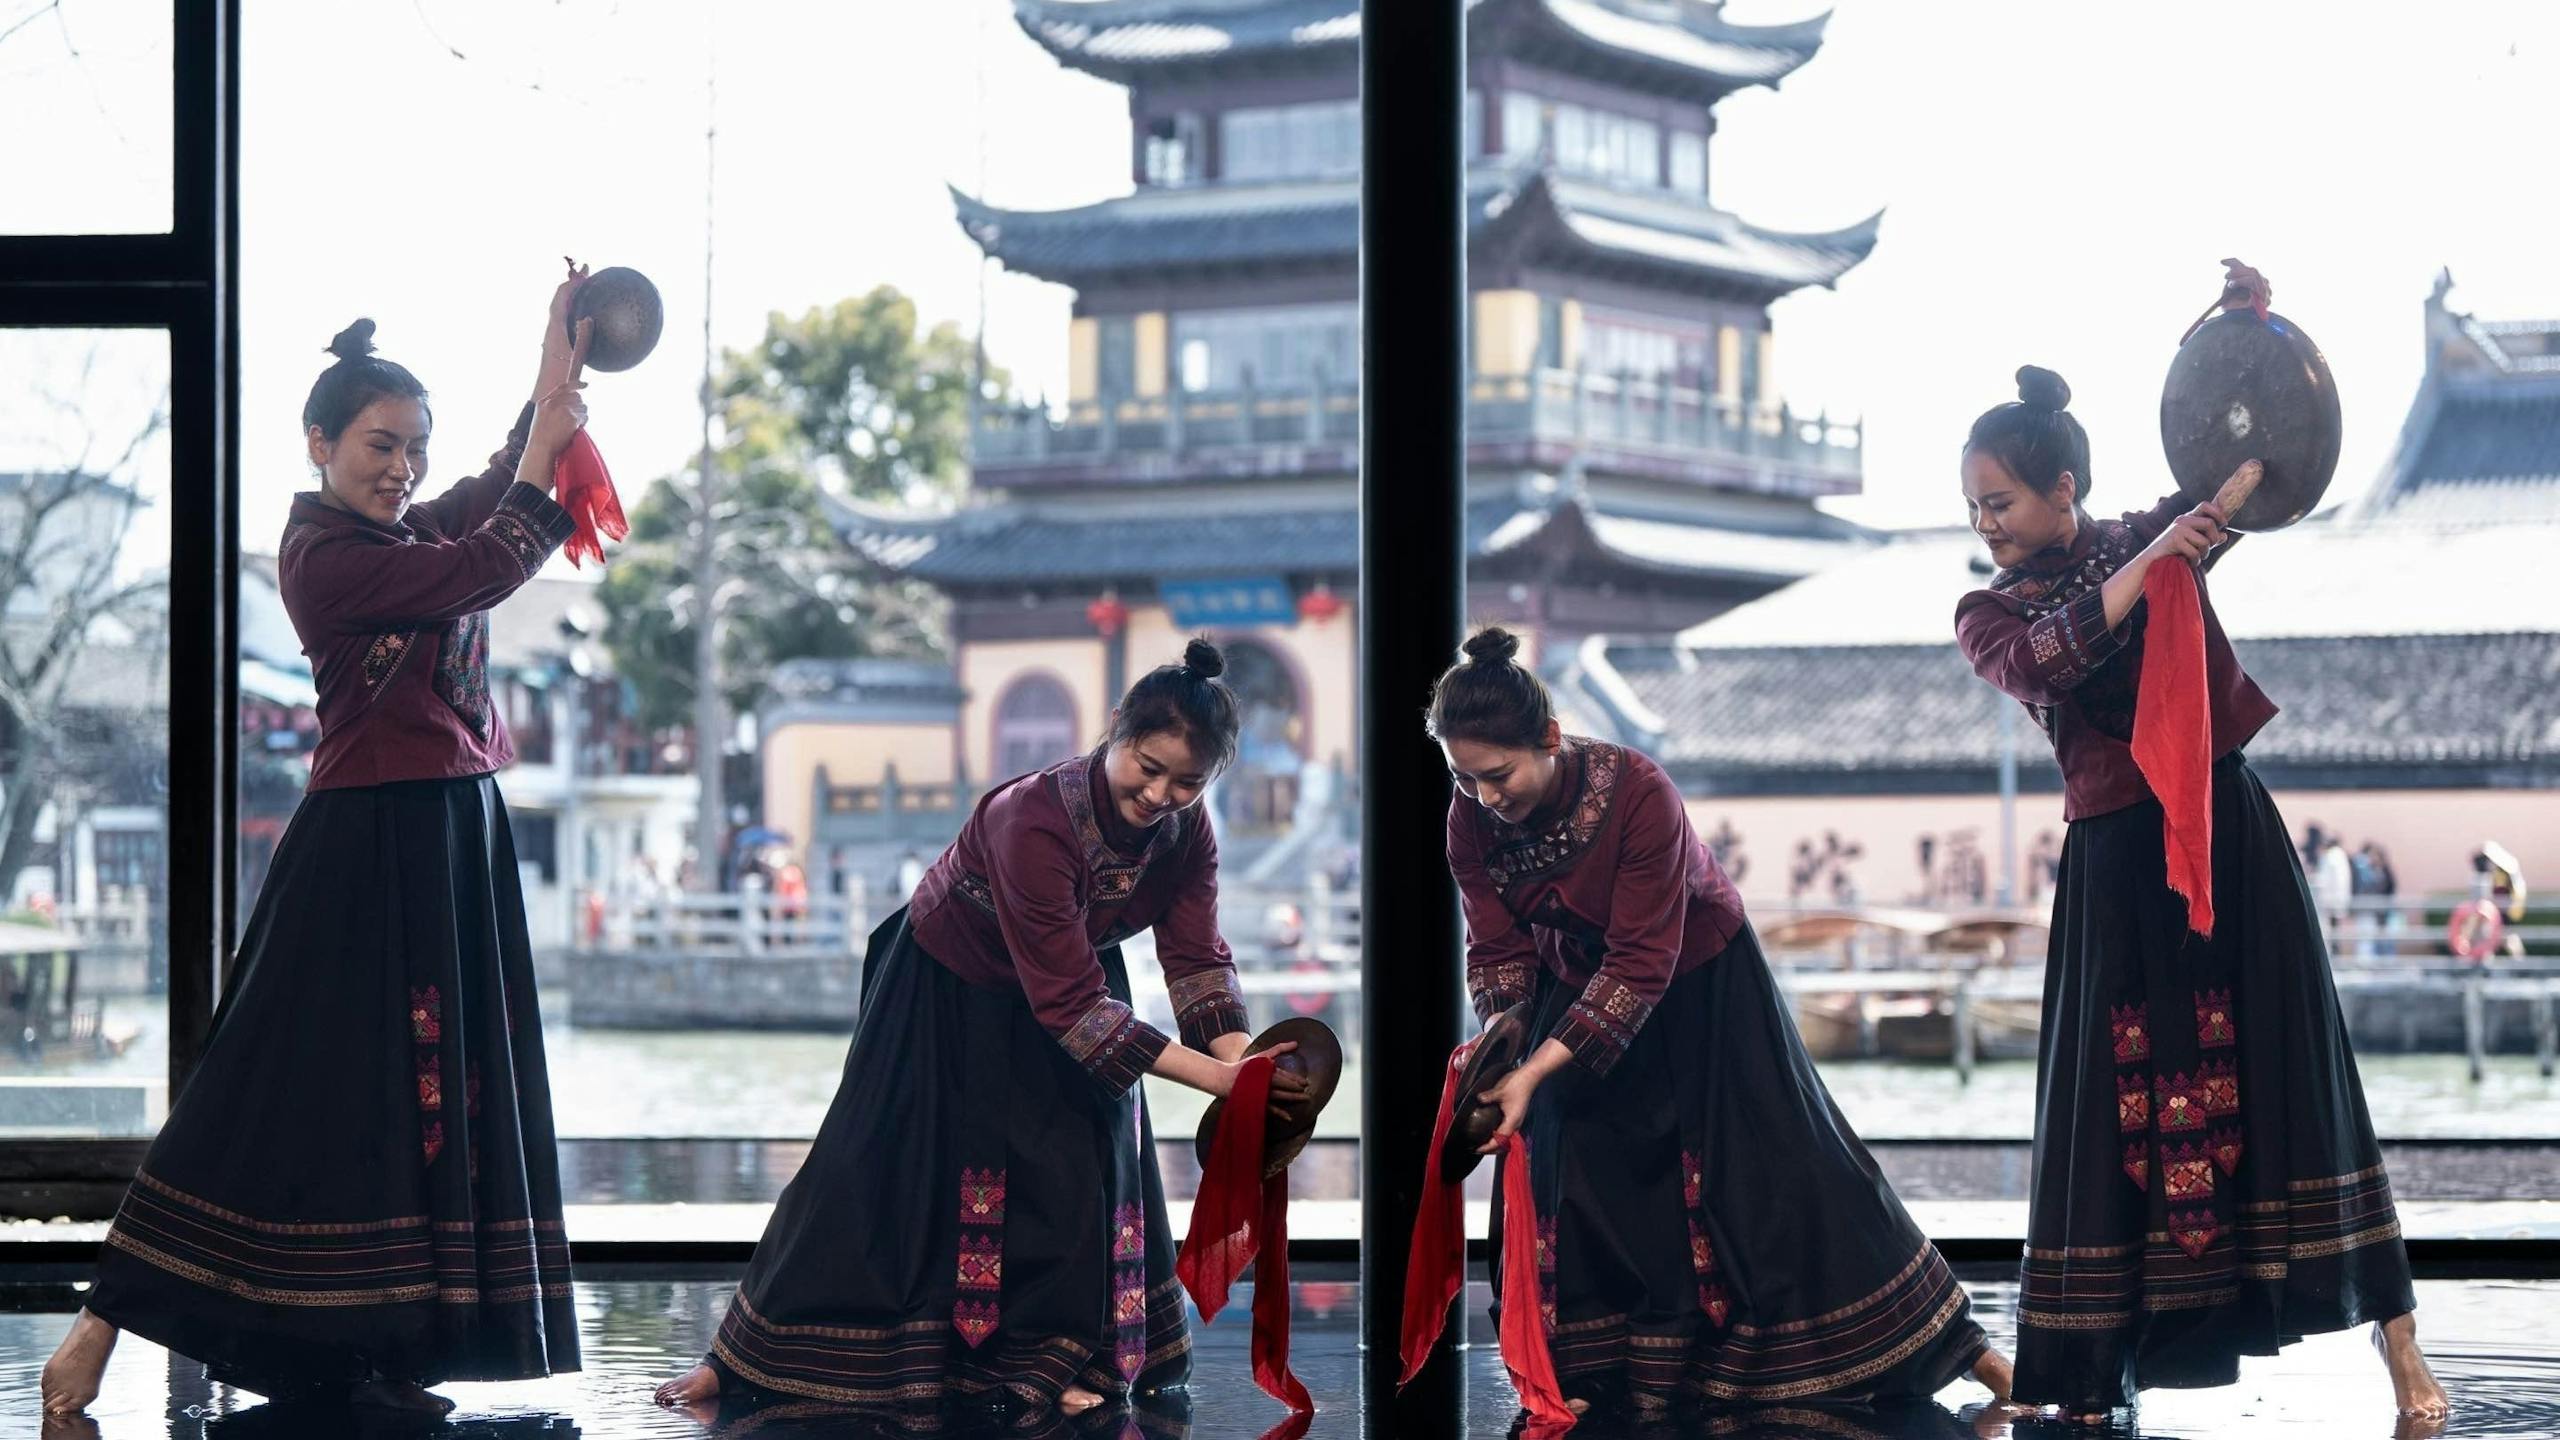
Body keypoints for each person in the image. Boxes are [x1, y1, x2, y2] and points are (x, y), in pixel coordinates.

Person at [42, 273, 597, 1417]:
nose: (404, 468)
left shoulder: (401, 529)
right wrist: (544, 448)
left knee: (407, 1106)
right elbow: (488, 560)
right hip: (365, 846)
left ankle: (376, 1348)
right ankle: (102, 1320)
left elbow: (500, 486)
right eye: (382, 446)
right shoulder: (326, 559)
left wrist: (556, 360)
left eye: (415, 448)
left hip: (448, 835)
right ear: (319, 445)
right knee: (261, 1089)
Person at [1952, 319, 2446, 1423]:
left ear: (2063, 489)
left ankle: (2404, 1350)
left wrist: (2246, 339)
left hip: (2226, 834)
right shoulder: (1992, 613)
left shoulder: (2146, 536)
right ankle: (2091, 1379)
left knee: (2303, 1076)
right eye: (1974, 507)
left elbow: (2242, 472)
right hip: (2116, 867)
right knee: (2113, 1111)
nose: (1984, 525)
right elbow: (2048, 658)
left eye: (2000, 502)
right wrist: (2159, 556)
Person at [653, 639, 1309, 1419]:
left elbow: (1197, 958)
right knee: (867, 1167)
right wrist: (1217, 1081)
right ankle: (738, 1359)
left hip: (1079, 976)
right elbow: (1069, 1007)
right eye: (1148, 766)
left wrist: (1247, 1068)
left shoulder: (1188, 831)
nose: (1161, 793)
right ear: (1114, 728)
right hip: (948, 983)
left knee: (1077, 1175)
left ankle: (1052, 1360)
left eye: (1188, 781)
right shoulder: (1032, 818)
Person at [1432, 627, 2010, 1423]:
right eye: (1464, 778)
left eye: (1499, 775)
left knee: (1781, 1162)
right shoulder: (1469, 819)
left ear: (1551, 739)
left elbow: (1642, 959)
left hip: (1700, 971)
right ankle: (1601, 1373)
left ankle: (1964, 1350)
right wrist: (1504, 1049)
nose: (1486, 796)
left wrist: (1535, 1067)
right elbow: (1498, 948)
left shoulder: (1638, 791)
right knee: (1567, 1155)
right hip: (1577, 976)